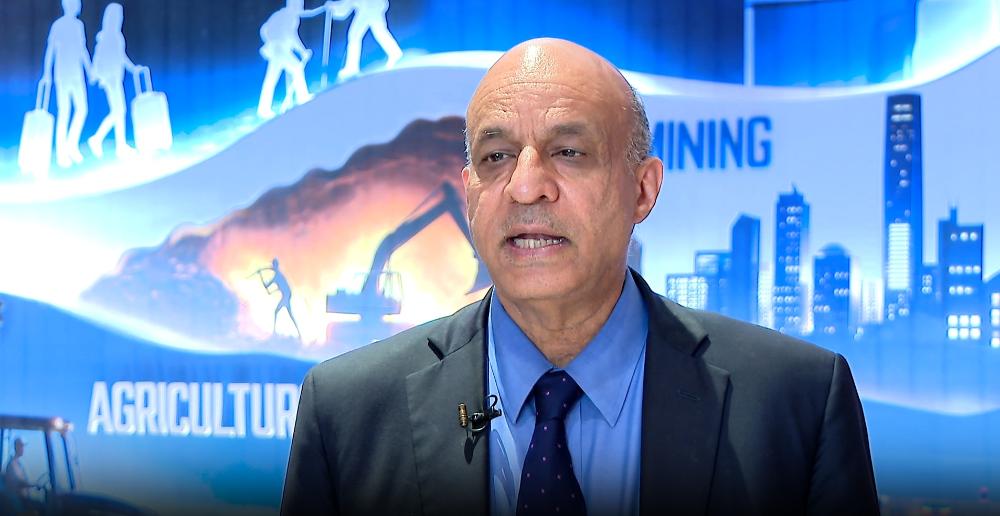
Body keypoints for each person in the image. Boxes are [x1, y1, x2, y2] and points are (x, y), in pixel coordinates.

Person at [280, 38, 879, 515]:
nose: (525, 186)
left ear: (642, 189)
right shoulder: (347, 413)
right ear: (469, 194)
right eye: (496, 157)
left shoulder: (796, 402)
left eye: (568, 152)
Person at [40, 0, 93, 168]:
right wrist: (47, 73)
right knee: (64, 112)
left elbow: (82, 49)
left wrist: (89, 70)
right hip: (63, 74)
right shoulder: (58, 25)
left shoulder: (79, 25)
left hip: (76, 73)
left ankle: (71, 145)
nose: (78, 6)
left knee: (82, 109)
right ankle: (62, 154)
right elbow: (51, 50)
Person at [87, 3, 140, 160]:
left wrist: (133, 69)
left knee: (119, 111)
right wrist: (96, 74)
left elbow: (122, 57)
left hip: (116, 78)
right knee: (118, 111)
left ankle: (118, 145)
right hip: (110, 79)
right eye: (118, 15)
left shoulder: (117, 36)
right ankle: (98, 139)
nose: (120, 18)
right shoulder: (105, 37)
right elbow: (98, 58)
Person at [257, 0, 327, 119]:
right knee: (296, 69)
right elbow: (291, 36)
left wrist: (271, 41)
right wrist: (303, 51)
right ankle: (302, 97)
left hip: (276, 49)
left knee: (271, 79)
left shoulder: (280, 14)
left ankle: (263, 109)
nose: (300, 7)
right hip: (279, 49)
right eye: (298, 4)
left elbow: (264, 30)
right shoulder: (290, 17)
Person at [331, 0, 402, 81]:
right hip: (370, 6)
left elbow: (345, 8)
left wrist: (333, 8)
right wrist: (333, 7)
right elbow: (345, 7)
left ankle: (352, 68)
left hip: (369, 7)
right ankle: (395, 53)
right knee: (378, 31)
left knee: (355, 35)